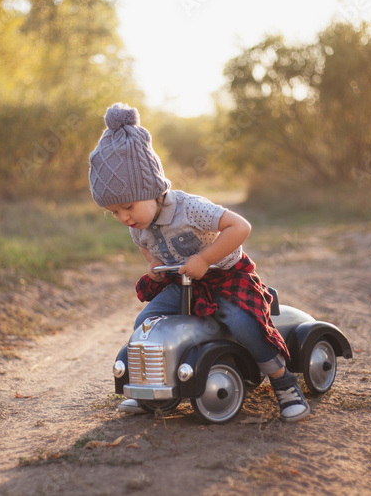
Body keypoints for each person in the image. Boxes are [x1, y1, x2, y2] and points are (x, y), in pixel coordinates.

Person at [89, 103, 310, 422]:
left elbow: (240, 227)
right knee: (146, 323)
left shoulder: (189, 208)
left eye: (128, 206)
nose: (124, 217)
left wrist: (205, 259)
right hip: (182, 282)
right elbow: (146, 248)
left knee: (244, 325)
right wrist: (152, 264)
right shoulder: (137, 225)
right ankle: (148, 388)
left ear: (152, 189)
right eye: (114, 213)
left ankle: (284, 384)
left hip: (225, 277)